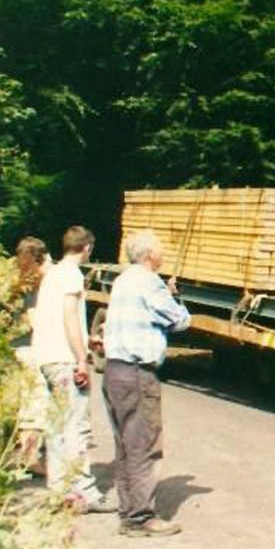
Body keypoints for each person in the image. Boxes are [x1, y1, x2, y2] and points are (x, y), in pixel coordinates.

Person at [103, 229, 190, 538]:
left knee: (126, 445)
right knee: (144, 444)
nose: (163, 255)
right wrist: (176, 299)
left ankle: (129, 512)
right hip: (138, 373)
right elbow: (178, 320)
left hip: (114, 371)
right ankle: (141, 518)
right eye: (161, 250)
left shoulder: (124, 279)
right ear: (150, 255)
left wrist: (164, 292)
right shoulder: (150, 282)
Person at [31, 225, 115, 512]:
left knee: (56, 427)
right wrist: (82, 357)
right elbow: (68, 318)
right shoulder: (71, 275)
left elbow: (54, 319)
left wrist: (85, 338)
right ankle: (85, 493)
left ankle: (58, 491)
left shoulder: (52, 274)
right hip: (65, 360)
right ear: (87, 248)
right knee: (77, 426)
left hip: (46, 358)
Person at [12, 236, 52, 478]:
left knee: (23, 404)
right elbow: (34, 318)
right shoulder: (36, 284)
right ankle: (30, 458)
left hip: (15, 347)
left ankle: (21, 453)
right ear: (39, 257)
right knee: (35, 404)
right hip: (31, 348)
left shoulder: (16, 280)